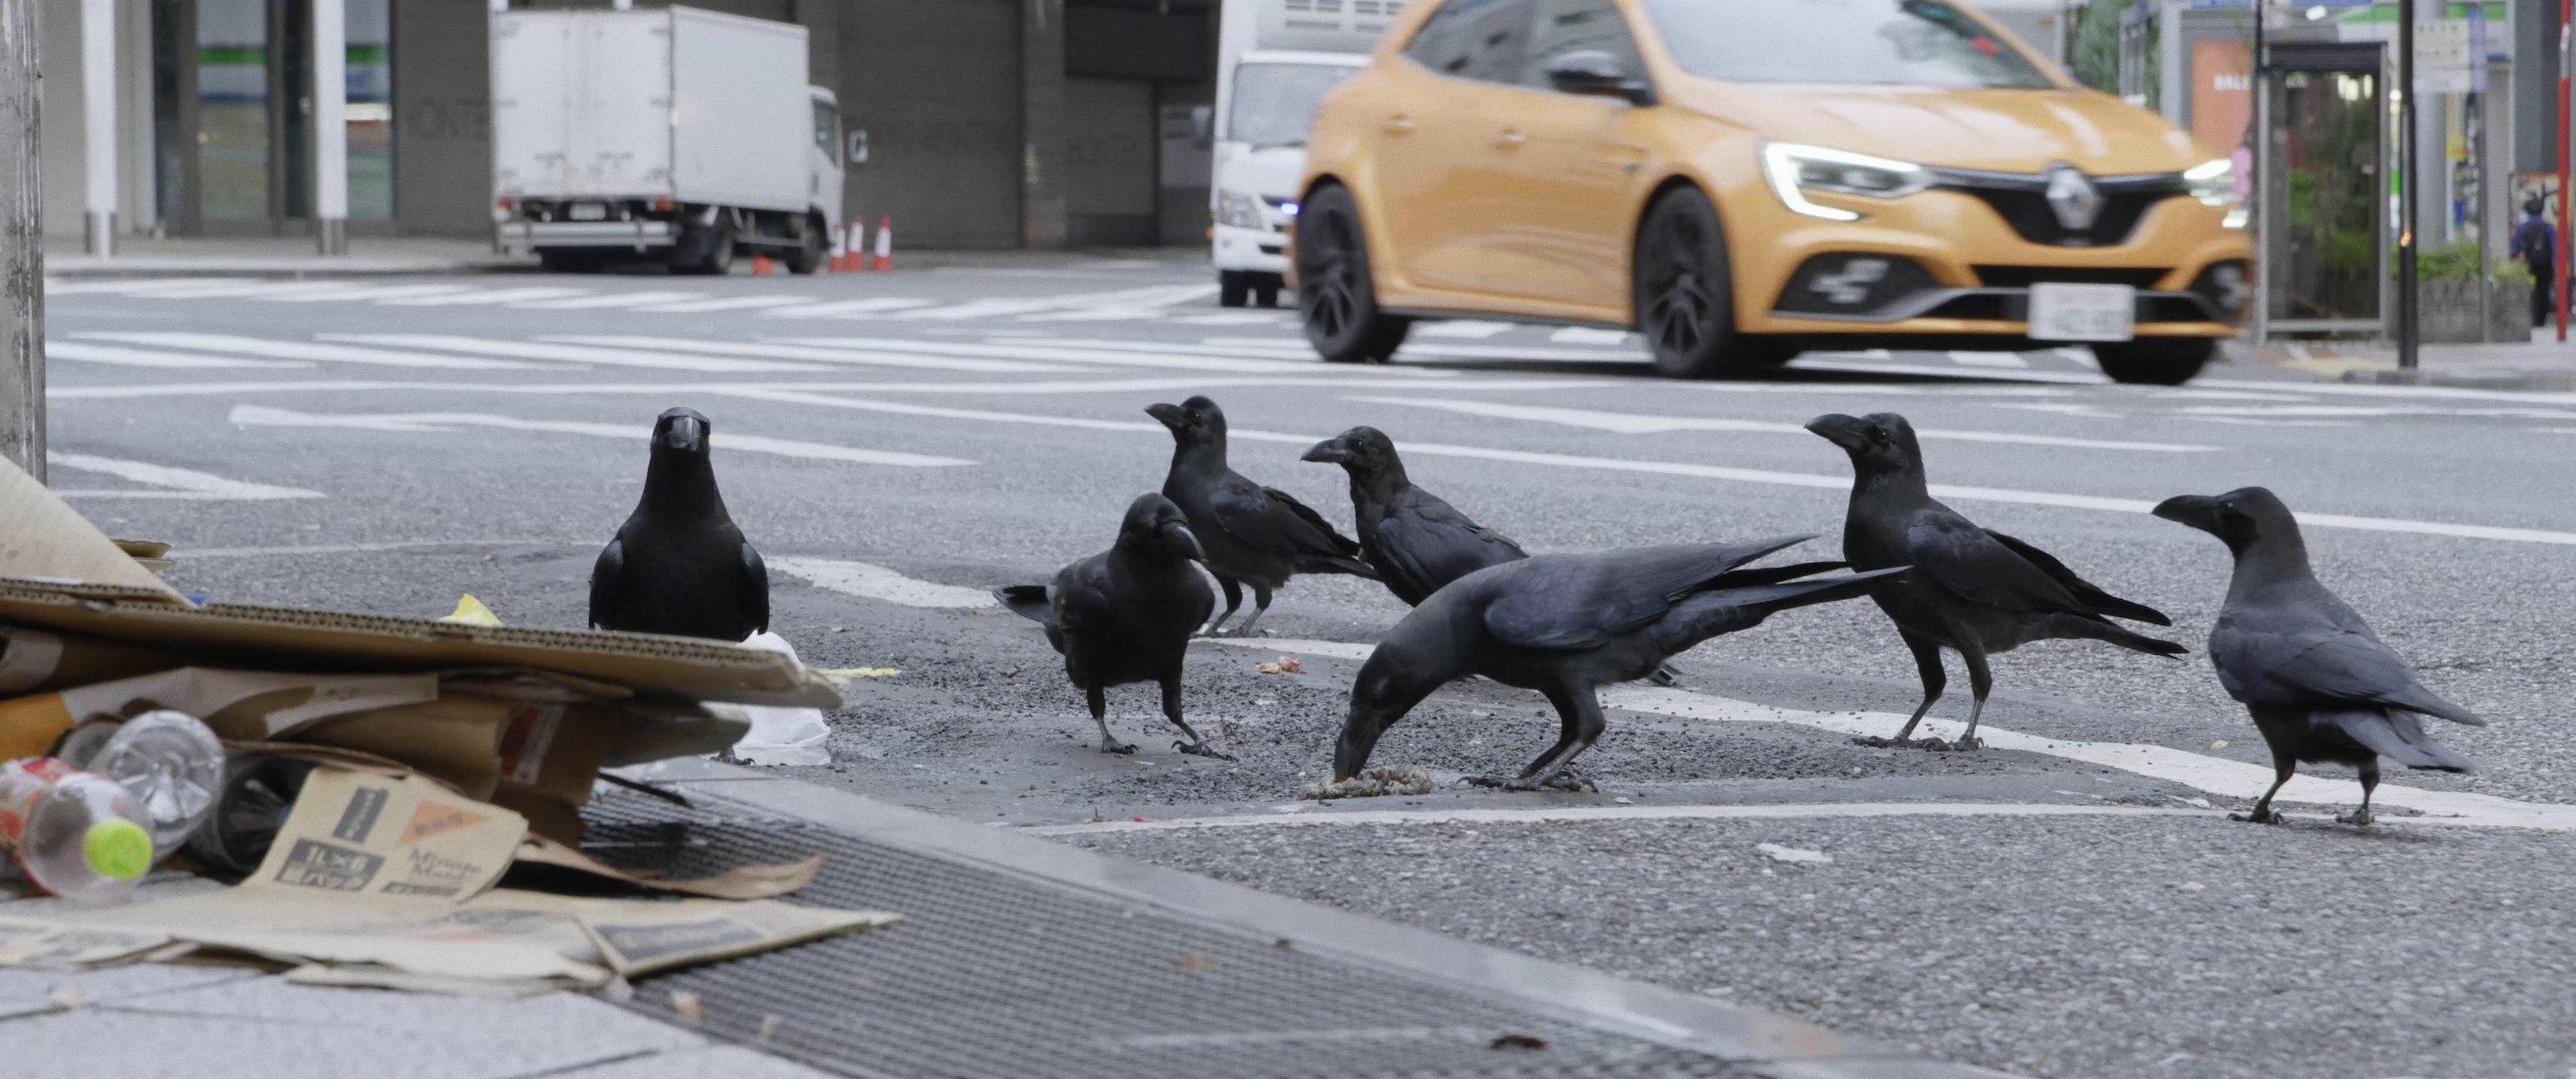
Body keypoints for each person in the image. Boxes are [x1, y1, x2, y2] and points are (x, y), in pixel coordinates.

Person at [2511, 196, 2559, 329]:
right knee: (2544, 291)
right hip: (2546, 264)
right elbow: (2555, 247)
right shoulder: (2549, 228)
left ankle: (2532, 316)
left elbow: (2515, 246)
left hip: (2529, 264)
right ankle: (2541, 320)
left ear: (2527, 211)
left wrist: (2513, 257)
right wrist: (2556, 263)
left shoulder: (2523, 227)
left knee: (2531, 290)